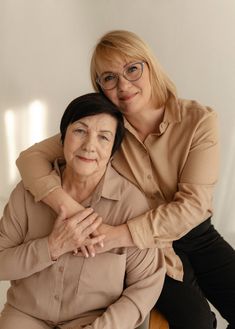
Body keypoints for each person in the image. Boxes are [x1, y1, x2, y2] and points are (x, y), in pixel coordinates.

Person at [15, 30, 235, 329]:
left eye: (132, 69)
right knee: (195, 321)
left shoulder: (198, 121)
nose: (123, 85)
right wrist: (69, 208)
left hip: (194, 235)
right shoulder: (105, 131)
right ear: (100, 87)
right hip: (148, 249)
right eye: (109, 77)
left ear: (150, 66)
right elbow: (29, 159)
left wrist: (110, 236)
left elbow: (193, 206)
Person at [0, 93, 165, 329]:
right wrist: (51, 247)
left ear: (113, 150)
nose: (89, 146)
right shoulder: (26, 193)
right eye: (80, 131)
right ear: (62, 137)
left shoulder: (131, 204)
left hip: (94, 320)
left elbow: (145, 287)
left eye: (103, 138)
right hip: (26, 315)